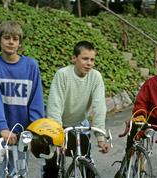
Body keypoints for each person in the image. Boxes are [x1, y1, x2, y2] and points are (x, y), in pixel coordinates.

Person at [0, 20, 45, 177]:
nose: (11, 42)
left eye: (15, 38)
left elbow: (36, 101)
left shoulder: (31, 66)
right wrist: (3, 127)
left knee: (19, 173)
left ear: (19, 42)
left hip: (21, 135)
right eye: (6, 38)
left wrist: (35, 131)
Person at [43, 40, 110, 178]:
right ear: (74, 58)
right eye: (85, 58)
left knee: (86, 160)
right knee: (52, 164)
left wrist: (101, 137)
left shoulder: (95, 77)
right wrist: (57, 135)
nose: (89, 63)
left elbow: (99, 106)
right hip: (58, 123)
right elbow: (55, 106)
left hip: (79, 122)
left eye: (92, 59)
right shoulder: (63, 74)